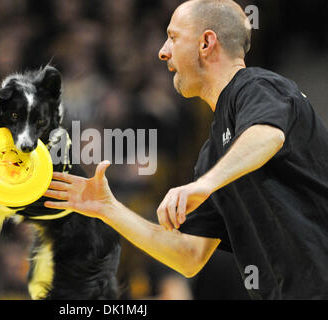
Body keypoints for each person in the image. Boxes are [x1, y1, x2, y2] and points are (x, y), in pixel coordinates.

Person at [44, 0, 328, 299]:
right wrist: (108, 209)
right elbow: (189, 256)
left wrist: (203, 186)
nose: (162, 51)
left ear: (206, 42)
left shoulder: (258, 85)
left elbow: (268, 136)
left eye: (174, 37)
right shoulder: (214, 155)